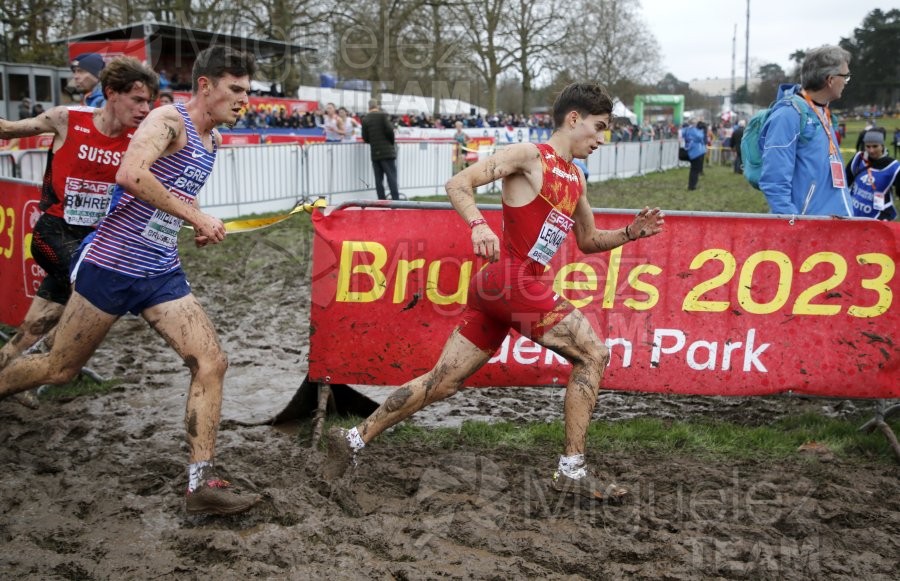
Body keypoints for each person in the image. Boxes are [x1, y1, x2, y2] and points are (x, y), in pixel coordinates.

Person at [324, 83, 665, 501]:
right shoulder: (528, 155)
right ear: (573, 119)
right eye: (598, 127)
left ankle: (353, 439)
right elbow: (458, 184)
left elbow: (589, 241)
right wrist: (478, 224)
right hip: (510, 280)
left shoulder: (575, 178)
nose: (601, 138)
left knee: (442, 382)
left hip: (503, 289)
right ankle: (572, 471)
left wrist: (631, 233)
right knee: (594, 353)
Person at [0, 46, 261, 517]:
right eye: (236, 90)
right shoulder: (167, 120)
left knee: (211, 361)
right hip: (112, 266)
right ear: (206, 86)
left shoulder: (214, 139)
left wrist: (190, 226)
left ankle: (200, 484)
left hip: (159, 271)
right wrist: (195, 215)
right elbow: (131, 174)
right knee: (59, 368)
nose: (244, 100)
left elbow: (167, 199)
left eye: (248, 91)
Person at [0, 57, 159, 408]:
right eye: (137, 100)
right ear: (111, 94)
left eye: (149, 101)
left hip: (93, 241)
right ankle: (50, 362)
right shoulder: (67, 119)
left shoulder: (140, 137)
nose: (145, 109)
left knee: (34, 326)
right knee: (97, 288)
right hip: (53, 232)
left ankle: (13, 371)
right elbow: (9, 129)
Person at [758, 45, 852, 216]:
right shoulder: (789, 114)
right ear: (830, 80)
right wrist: (793, 225)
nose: (846, 81)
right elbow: (774, 180)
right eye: (845, 76)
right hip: (808, 229)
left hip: (834, 226)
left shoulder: (822, 111)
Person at [845, 130, 899, 221]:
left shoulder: (893, 166)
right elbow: (846, 180)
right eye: (868, 146)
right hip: (853, 213)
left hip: (878, 218)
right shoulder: (859, 158)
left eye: (875, 146)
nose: (871, 150)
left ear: (882, 146)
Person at [361, 98, 400, 200]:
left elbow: (365, 138)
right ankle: (396, 201)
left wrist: (374, 143)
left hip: (375, 153)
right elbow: (390, 131)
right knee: (391, 178)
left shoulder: (365, 119)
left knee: (379, 180)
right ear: (377, 106)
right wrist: (391, 143)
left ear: (369, 107)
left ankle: (381, 201)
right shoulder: (382, 115)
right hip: (387, 152)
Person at [682, 119, 707, 190]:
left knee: (693, 169)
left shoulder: (686, 130)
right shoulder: (695, 131)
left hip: (690, 150)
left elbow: (682, 134)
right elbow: (701, 137)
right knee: (695, 170)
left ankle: (692, 185)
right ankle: (692, 186)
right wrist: (703, 130)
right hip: (697, 151)